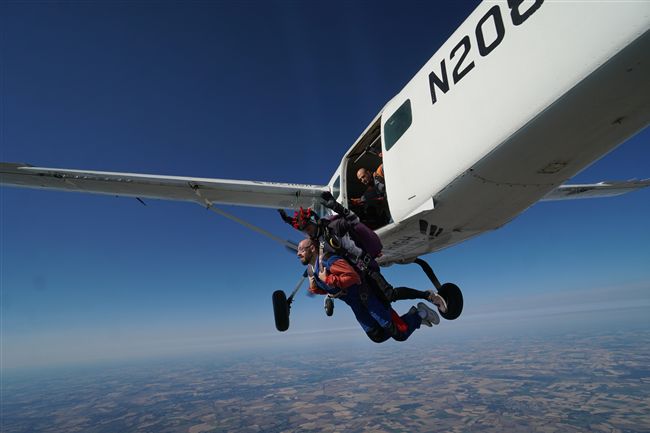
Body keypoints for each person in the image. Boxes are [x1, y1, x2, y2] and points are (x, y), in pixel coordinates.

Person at [279, 203, 448, 314]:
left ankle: (428, 296)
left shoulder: (334, 226)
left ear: (314, 221)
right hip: (354, 273)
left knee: (389, 294)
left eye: (308, 227)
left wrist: (335, 206)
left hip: (364, 266)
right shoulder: (316, 239)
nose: (307, 232)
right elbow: (302, 229)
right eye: (304, 230)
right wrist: (287, 219)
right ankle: (415, 316)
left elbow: (354, 220)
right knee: (380, 303)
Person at [297, 238, 439, 341]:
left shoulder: (329, 260)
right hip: (357, 305)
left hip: (369, 299)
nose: (298, 253)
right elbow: (329, 289)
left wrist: (328, 279)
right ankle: (413, 318)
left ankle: (420, 313)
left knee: (400, 333)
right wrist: (314, 285)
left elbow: (353, 277)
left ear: (313, 248)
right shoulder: (313, 270)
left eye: (301, 250)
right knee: (376, 336)